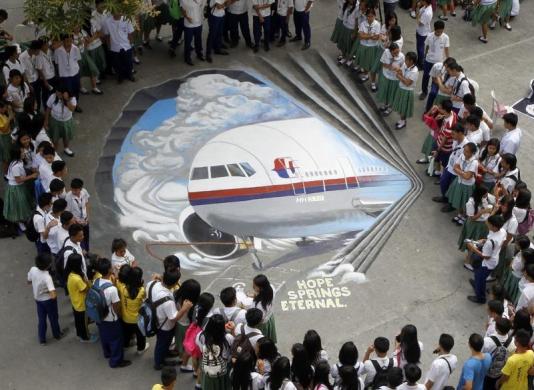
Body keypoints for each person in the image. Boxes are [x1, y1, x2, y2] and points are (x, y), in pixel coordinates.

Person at [147, 268, 193, 370]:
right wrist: (184, 309)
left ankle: (165, 353)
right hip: (164, 326)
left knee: (162, 343)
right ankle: (158, 363)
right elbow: (173, 318)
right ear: (175, 283)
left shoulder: (152, 284)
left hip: (155, 318)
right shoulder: (168, 300)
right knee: (162, 343)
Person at [93, 257, 131, 368]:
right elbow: (116, 307)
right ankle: (116, 361)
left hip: (99, 315)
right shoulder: (112, 289)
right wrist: (119, 316)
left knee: (104, 335)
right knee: (116, 340)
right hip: (111, 318)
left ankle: (107, 353)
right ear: (110, 270)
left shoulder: (96, 281)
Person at [466, 215, 507, 303]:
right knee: (478, 274)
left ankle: (480, 298)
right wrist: (484, 240)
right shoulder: (502, 231)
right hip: (494, 257)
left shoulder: (490, 242)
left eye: (489, 223)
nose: (487, 224)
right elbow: (497, 241)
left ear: (494, 226)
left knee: (481, 278)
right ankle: (477, 283)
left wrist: (472, 248)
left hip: (488, 263)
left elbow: (486, 256)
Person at [27, 253, 66, 345]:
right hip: (48, 301)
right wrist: (49, 292)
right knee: (53, 318)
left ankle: (42, 339)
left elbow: (28, 281)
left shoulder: (33, 269)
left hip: (38, 300)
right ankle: (57, 334)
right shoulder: (47, 277)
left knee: (41, 319)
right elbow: (53, 295)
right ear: (48, 265)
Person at [66, 253, 98, 343]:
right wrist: (88, 282)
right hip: (81, 304)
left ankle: (79, 334)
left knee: (78, 320)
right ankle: (86, 337)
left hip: (75, 302)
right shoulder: (77, 279)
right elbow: (86, 289)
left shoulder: (70, 274)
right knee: (83, 322)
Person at [196, 314, 233, 390]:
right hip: (223, 369)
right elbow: (232, 351)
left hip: (207, 367)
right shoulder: (228, 338)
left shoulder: (201, 336)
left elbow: (200, 349)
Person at [3, 147, 37, 229]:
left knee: (23, 204)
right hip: (16, 188)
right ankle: (20, 223)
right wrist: (31, 176)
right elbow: (18, 180)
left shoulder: (18, 162)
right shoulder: (16, 166)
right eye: (22, 152)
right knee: (18, 207)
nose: (24, 153)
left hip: (19, 186)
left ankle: (23, 220)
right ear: (17, 154)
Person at [446, 143, 479, 224]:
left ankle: (464, 216)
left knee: (465, 202)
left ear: (472, 153)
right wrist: (463, 173)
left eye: (467, 151)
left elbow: (468, 177)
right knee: (459, 199)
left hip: (467, 185)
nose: (464, 153)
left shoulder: (474, 162)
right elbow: (455, 167)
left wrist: (459, 171)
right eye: (464, 150)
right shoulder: (462, 156)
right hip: (459, 181)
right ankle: (460, 214)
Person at [119, 266, 148, 354]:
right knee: (141, 335)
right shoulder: (142, 290)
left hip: (126, 318)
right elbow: (145, 299)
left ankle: (126, 345)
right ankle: (140, 349)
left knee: (126, 333)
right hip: (138, 320)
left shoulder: (123, 289)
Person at [174, 279, 201, 370]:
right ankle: (184, 363)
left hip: (178, 324)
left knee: (179, 342)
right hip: (187, 327)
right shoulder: (191, 304)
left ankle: (180, 356)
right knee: (188, 346)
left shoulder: (177, 295)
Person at [420, 21, 450, 102]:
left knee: (436, 79)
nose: (439, 33)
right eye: (438, 31)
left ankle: (434, 93)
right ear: (434, 29)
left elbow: (446, 50)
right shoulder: (429, 36)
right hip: (428, 60)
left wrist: (448, 60)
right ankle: (424, 92)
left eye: (441, 31)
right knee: (426, 76)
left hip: (439, 63)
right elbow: (426, 46)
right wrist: (424, 56)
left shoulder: (446, 37)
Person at [102, 13, 135, 83]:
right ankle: (120, 76)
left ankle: (129, 75)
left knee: (128, 62)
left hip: (126, 45)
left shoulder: (126, 19)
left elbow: (130, 33)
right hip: (114, 47)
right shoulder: (107, 22)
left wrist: (131, 44)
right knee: (117, 64)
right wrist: (109, 46)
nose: (119, 12)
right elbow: (107, 35)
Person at [44, 88, 77, 157]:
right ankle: (54, 151)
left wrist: (66, 100)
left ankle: (66, 148)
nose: (58, 94)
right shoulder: (53, 97)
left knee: (66, 136)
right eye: (57, 92)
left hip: (67, 121)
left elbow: (72, 109)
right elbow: (48, 108)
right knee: (55, 137)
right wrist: (46, 121)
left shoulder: (72, 98)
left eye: (60, 93)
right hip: (55, 120)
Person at [481, 316, 512, 389]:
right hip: (500, 372)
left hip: (487, 372)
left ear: (496, 328)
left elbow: (480, 354)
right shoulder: (512, 342)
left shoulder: (488, 341)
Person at [54, 35, 82, 112]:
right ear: (63, 41)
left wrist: (79, 72)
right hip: (65, 76)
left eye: (70, 41)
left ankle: (75, 105)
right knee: (68, 92)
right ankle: (68, 107)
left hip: (75, 74)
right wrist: (59, 75)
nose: (69, 43)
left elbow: (78, 61)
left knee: (76, 90)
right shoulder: (58, 51)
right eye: (67, 41)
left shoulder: (75, 48)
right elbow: (56, 64)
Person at [391, 51, 418, 130]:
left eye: (406, 59)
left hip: (407, 91)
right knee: (401, 106)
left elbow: (407, 83)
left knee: (404, 108)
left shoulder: (414, 72)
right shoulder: (405, 65)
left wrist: (399, 76)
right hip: (401, 88)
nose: (405, 61)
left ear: (411, 61)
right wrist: (398, 71)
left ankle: (403, 121)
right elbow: (401, 72)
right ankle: (402, 119)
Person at [355, 9, 381, 90]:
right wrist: (370, 36)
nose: (370, 18)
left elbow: (377, 37)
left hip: (373, 47)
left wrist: (366, 35)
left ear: (375, 16)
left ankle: (373, 82)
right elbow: (360, 36)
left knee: (372, 66)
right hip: (364, 46)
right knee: (364, 63)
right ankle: (366, 75)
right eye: (368, 16)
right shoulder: (363, 23)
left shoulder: (377, 24)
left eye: (372, 16)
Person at [376, 43, 404, 116]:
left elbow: (403, 69)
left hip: (395, 79)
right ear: (390, 51)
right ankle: (385, 104)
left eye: (398, 51)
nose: (397, 54)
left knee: (392, 93)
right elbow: (383, 63)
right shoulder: (386, 52)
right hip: (386, 75)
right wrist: (390, 66)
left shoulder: (401, 57)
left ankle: (390, 108)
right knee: (386, 91)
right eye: (395, 52)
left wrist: (398, 70)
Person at [65, 178, 90, 251]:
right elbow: (68, 212)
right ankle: (82, 252)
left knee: (86, 238)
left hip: (85, 220)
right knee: (79, 240)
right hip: (76, 223)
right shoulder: (68, 197)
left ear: (80, 189)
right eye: (72, 189)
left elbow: (87, 204)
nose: (73, 191)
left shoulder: (84, 192)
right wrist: (76, 221)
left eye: (76, 190)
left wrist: (88, 216)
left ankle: (87, 251)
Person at [181, 0, 206, 65]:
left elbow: (202, 7)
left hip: (198, 22)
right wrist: (187, 17)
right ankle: (187, 57)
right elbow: (182, 10)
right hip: (189, 24)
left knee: (198, 39)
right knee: (188, 41)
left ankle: (199, 54)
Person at [19, 41, 42, 111]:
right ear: (34, 49)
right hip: (29, 82)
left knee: (38, 98)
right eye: (38, 50)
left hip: (36, 79)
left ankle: (37, 112)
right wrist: (29, 86)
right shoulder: (22, 57)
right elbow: (23, 73)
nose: (39, 52)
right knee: (31, 100)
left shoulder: (35, 55)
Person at [35, 39, 57, 110]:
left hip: (52, 75)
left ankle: (54, 107)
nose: (47, 45)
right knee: (45, 95)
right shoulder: (39, 56)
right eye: (45, 44)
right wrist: (45, 82)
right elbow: (39, 70)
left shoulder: (49, 51)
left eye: (47, 43)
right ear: (41, 46)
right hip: (46, 78)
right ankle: (46, 109)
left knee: (53, 93)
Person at [415, 0, 432, 70]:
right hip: (420, 31)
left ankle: (421, 64)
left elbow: (420, 23)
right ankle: (419, 61)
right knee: (419, 48)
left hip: (423, 33)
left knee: (420, 49)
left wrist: (417, 16)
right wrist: (418, 8)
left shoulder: (427, 13)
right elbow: (417, 14)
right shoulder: (424, 7)